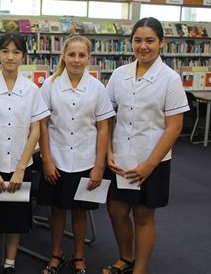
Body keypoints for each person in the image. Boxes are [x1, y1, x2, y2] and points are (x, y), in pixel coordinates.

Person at [103, 17, 189, 274]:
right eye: (138, 40)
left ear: (161, 43)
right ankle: (125, 258)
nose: (143, 46)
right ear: (131, 42)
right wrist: (108, 153)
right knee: (116, 210)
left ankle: (139, 269)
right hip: (120, 158)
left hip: (153, 160)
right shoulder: (119, 74)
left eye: (150, 40)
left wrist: (149, 165)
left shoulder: (170, 79)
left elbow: (174, 126)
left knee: (143, 215)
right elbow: (106, 116)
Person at [38, 34, 115, 274]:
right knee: (57, 209)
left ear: (89, 58)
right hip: (57, 158)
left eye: (82, 55)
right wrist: (47, 160)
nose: (76, 60)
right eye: (71, 54)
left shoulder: (97, 88)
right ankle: (56, 254)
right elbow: (42, 124)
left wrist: (99, 166)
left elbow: (104, 127)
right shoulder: (50, 85)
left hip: (85, 159)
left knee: (80, 210)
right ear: (64, 56)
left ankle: (79, 255)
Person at [0, 32, 50, 274]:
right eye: (5, 51)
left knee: (14, 219)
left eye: (16, 52)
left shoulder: (31, 89)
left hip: (19, 167)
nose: (10, 56)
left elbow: (36, 130)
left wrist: (20, 169)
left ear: (23, 56)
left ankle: (9, 263)